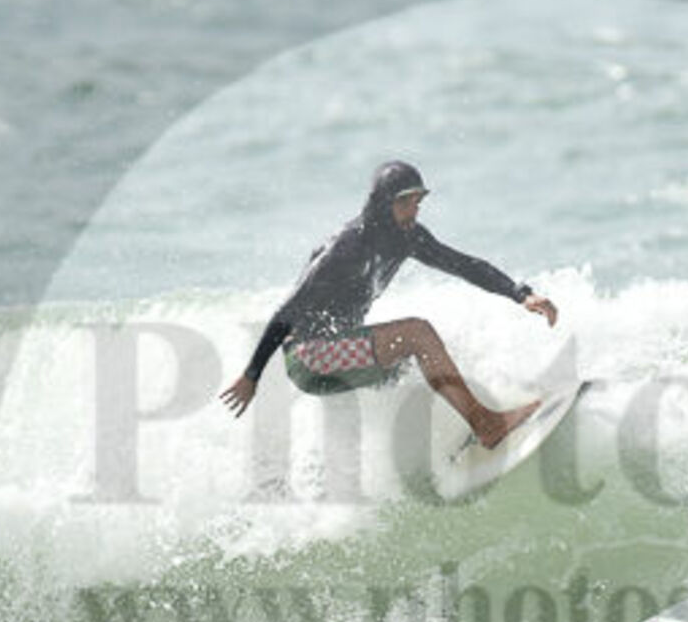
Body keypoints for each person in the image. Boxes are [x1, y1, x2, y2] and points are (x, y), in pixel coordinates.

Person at [220, 161, 558, 448]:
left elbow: (462, 265)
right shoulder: (346, 248)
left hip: (339, 353)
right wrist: (252, 376)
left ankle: (437, 448)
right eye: (405, 203)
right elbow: (288, 312)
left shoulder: (408, 236)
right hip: (310, 356)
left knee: (418, 362)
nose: (414, 210)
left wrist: (520, 293)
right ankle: (485, 424)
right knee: (417, 334)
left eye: (417, 202)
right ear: (383, 204)